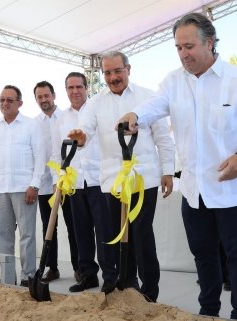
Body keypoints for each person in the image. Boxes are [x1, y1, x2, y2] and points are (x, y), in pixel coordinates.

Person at [118, 13, 237, 321]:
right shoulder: (174, 81)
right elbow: (154, 105)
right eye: (178, 48)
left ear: (210, 42)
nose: (183, 53)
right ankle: (209, 312)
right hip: (194, 190)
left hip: (232, 188)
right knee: (203, 255)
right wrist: (136, 115)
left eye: (189, 46)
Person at [69, 51, 175, 301]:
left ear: (129, 69)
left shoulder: (148, 97)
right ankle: (127, 286)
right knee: (117, 235)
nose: (113, 77)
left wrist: (168, 171)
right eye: (107, 73)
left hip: (143, 179)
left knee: (140, 234)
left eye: (117, 71)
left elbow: (163, 138)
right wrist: (80, 137)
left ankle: (150, 292)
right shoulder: (95, 102)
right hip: (112, 181)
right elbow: (85, 129)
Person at [53, 72, 115, 292]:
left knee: (105, 232)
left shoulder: (98, 109)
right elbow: (55, 152)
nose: (75, 91)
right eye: (70, 88)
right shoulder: (60, 118)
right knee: (81, 232)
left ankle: (110, 276)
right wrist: (57, 180)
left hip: (99, 180)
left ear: (87, 88)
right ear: (66, 90)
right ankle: (88, 275)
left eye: (79, 87)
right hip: (75, 183)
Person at [0, 85, 44, 287]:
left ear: (20, 103)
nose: (5, 103)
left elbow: (40, 156)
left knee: (26, 235)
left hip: (24, 188)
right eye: (2, 100)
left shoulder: (31, 125)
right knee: (2, 235)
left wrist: (34, 185)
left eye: (9, 100)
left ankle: (28, 276)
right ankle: (8, 276)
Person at [34, 81, 79, 283]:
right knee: (48, 226)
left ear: (54, 96)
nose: (44, 100)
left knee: (73, 225)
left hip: (68, 182)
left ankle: (79, 267)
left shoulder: (68, 117)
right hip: (45, 183)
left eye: (46, 95)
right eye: (40, 97)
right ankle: (52, 268)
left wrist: (61, 179)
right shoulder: (34, 123)